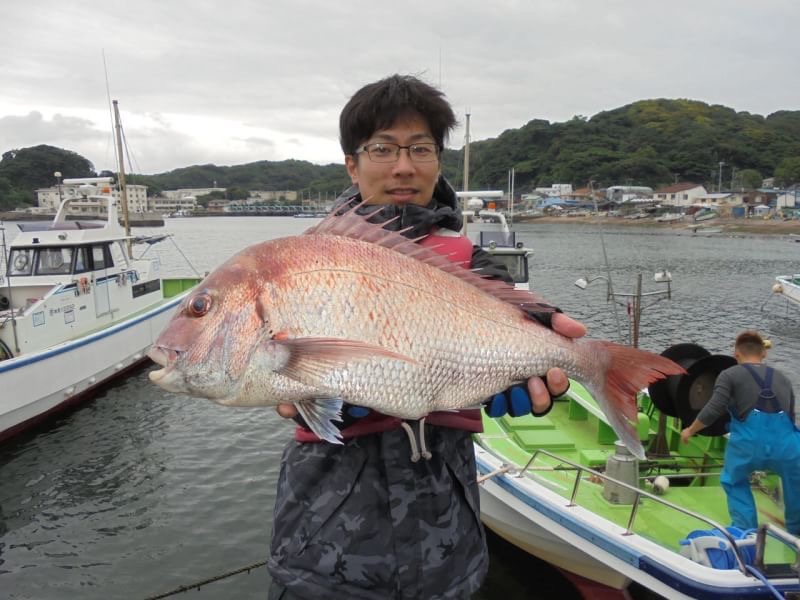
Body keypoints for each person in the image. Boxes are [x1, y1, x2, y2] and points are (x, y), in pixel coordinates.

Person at [267, 74, 587, 600]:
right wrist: (303, 395)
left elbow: (514, 322)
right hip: (321, 551)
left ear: (438, 160)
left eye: (420, 149)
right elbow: (276, 370)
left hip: (449, 549)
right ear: (352, 162)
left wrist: (545, 343)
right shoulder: (309, 261)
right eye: (384, 149)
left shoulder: (470, 261)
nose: (403, 166)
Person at [681, 330, 800, 535]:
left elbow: (713, 409)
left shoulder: (730, 375)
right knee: (795, 483)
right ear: (764, 354)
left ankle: (746, 532)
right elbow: (790, 417)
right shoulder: (782, 378)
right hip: (788, 446)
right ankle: (796, 533)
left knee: (733, 479)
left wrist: (690, 430)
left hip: (749, 445)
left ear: (736, 354)